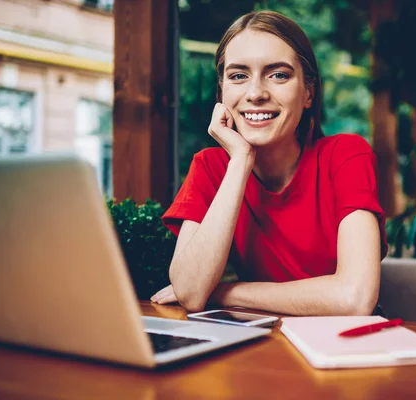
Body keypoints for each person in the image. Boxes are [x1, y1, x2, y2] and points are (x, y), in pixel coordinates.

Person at [150, 10, 388, 316]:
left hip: (343, 345)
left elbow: (354, 298)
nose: (255, 93)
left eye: (278, 75)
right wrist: (240, 161)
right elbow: (192, 292)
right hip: (259, 342)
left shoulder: (346, 155)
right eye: (238, 76)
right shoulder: (211, 167)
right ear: (222, 92)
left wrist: (226, 292)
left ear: (308, 94)